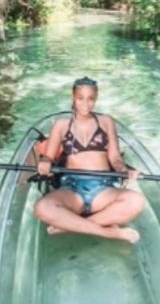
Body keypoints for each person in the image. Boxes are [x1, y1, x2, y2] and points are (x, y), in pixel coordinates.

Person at [32, 76, 145, 244]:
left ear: (96, 99)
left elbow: (115, 158)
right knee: (42, 208)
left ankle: (68, 226)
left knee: (136, 201)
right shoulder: (61, 124)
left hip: (103, 188)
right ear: (73, 97)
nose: (85, 103)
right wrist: (46, 162)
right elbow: (48, 156)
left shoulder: (106, 121)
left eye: (90, 99)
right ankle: (109, 233)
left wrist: (123, 170)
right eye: (80, 98)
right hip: (71, 189)